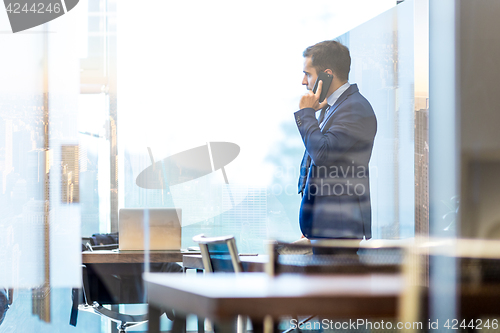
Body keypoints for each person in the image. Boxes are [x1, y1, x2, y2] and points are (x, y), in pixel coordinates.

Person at [295, 40, 377, 254]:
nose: (304, 81)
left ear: (327, 74)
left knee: (332, 287)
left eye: (308, 74)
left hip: (337, 230)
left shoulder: (354, 109)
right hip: (326, 227)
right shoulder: (335, 107)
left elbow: (322, 153)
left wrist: (306, 113)